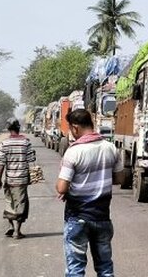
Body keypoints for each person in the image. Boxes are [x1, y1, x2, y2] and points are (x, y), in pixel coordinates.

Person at [56, 109, 125, 277]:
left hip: (78, 218)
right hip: (102, 218)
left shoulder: (74, 151)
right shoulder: (110, 148)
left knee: (76, 270)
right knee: (105, 269)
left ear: (75, 127)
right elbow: (119, 179)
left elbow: (61, 188)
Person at [0, 118, 36, 239]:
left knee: (10, 202)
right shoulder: (26, 142)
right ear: (19, 128)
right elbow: (31, 161)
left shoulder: (4, 143)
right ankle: (17, 231)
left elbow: (1, 164)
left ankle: (11, 226)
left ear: (8, 129)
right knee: (21, 204)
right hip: (22, 180)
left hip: (9, 179)